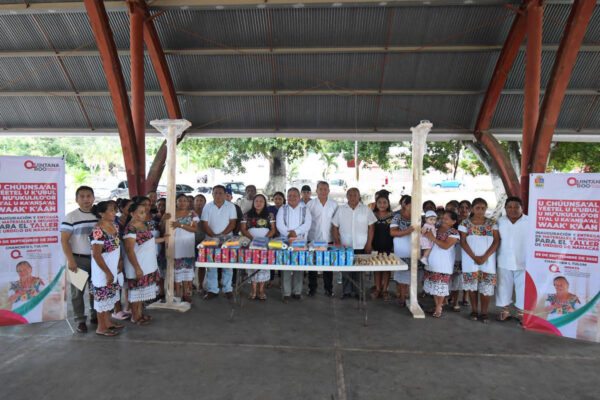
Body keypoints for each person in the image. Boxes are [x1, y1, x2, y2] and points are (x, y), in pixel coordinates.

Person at [60, 185, 98, 333]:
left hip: (97, 260)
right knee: (77, 293)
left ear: (93, 198)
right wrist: (71, 260)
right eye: (82, 197)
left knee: (96, 289)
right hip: (78, 259)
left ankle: (96, 315)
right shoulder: (71, 217)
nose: (86, 199)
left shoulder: (99, 215)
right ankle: (80, 320)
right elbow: (64, 241)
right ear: (76, 199)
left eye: (89, 196)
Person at [123, 202, 167, 325]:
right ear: (132, 214)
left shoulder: (143, 225)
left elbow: (149, 241)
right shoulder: (130, 229)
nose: (144, 215)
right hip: (138, 264)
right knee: (136, 292)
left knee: (142, 292)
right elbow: (129, 250)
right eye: (141, 212)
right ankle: (135, 316)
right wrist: (137, 268)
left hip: (147, 264)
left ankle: (140, 314)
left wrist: (164, 239)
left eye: (144, 212)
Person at [459, 197, 500, 324]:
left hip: (488, 260)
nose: (480, 211)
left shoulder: (492, 223)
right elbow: (463, 242)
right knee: (473, 286)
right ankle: (474, 310)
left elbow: (496, 241)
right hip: (470, 259)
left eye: (483, 208)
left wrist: (485, 257)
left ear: (486, 209)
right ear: (472, 209)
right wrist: (475, 257)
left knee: (486, 286)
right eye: (477, 208)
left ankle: (484, 312)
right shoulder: (465, 223)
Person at [332, 188, 376, 299]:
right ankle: (346, 292)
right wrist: (337, 242)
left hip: (361, 245)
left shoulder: (366, 209)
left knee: (359, 270)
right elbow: (335, 226)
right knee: (346, 270)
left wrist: (369, 243)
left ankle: (358, 292)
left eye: (355, 195)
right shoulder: (341, 209)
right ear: (347, 197)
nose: (352, 197)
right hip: (345, 246)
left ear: (359, 196)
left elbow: (371, 227)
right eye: (350, 195)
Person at [89, 201, 123, 337]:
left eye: (115, 209)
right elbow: (96, 255)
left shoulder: (115, 226)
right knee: (102, 297)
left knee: (109, 295)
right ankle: (101, 327)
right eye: (111, 210)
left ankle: (108, 322)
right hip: (102, 269)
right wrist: (108, 272)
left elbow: (117, 246)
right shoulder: (97, 230)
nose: (115, 212)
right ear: (101, 214)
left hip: (112, 267)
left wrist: (119, 262)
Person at [201, 185, 238, 300]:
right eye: (215, 193)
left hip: (227, 239)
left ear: (225, 194)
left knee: (227, 264)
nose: (218, 195)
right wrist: (213, 236)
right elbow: (204, 224)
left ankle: (228, 289)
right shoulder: (207, 207)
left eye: (220, 193)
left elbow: (232, 223)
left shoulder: (231, 206)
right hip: (210, 239)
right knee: (211, 265)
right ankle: (212, 290)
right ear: (212, 194)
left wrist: (222, 235)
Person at [276, 188, 312, 302]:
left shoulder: (305, 209)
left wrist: (295, 232)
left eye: (295, 195)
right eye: (290, 195)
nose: (292, 197)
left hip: (300, 242)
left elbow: (307, 224)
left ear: (299, 196)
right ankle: (286, 293)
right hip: (285, 241)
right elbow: (279, 225)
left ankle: (297, 291)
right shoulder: (282, 209)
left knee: (298, 267)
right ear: (287, 197)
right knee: (286, 266)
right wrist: (289, 234)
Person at [496, 196, 528, 322]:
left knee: (523, 288)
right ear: (505, 208)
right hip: (504, 259)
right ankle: (505, 311)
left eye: (516, 207)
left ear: (522, 208)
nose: (513, 210)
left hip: (524, 260)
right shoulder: (500, 222)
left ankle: (521, 313)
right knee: (503, 287)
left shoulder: (530, 221)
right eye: (509, 207)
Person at [423, 211, 460, 318]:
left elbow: (445, 246)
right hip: (432, 261)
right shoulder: (435, 228)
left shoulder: (454, 232)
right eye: (442, 218)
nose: (443, 220)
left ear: (453, 222)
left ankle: (439, 307)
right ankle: (437, 306)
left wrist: (432, 238)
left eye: (446, 219)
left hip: (444, 263)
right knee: (434, 285)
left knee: (441, 286)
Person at [240, 194, 276, 300]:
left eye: (261, 201)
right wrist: (252, 239)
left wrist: (264, 240)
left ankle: (261, 290)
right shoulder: (247, 215)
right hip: (251, 243)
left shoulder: (270, 215)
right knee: (253, 265)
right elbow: (243, 229)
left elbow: (273, 229)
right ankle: (254, 290)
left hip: (265, 243)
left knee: (263, 266)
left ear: (264, 203)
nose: (258, 203)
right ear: (253, 203)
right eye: (256, 201)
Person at [306, 181, 338, 297]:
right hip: (313, 239)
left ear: (329, 191)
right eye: (320, 189)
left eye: (325, 189)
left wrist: (336, 239)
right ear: (316, 191)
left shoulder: (334, 204)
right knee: (312, 265)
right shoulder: (310, 204)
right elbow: (306, 222)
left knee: (328, 266)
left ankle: (329, 289)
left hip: (328, 239)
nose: (323, 191)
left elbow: (336, 223)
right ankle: (312, 288)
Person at [168, 193, 199, 303]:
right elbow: (165, 227)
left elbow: (194, 229)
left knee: (186, 270)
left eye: (185, 200)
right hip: (175, 244)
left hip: (187, 245)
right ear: (176, 202)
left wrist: (180, 225)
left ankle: (185, 294)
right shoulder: (171, 212)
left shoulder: (192, 214)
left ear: (188, 202)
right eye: (180, 200)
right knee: (177, 270)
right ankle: (177, 294)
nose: (182, 203)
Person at [390, 195, 416, 306]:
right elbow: (392, 232)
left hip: (414, 250)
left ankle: (410, 297)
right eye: (411, 205)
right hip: (401, 250)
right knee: (401, 275)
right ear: (405, 205)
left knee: (412, 275)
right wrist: (407, 231)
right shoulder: (397, 217)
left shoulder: (418, 217)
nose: (413, 207)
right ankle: (402, 297)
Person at [370, 194, 395, 301]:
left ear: (388, 204)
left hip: (388, 245)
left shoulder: (392, 216)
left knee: (386, 268)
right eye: (379, 202)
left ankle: (385, 290)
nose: (382, 205)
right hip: (375, 244)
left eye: (385, 202)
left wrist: (394, 246)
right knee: (376, 268)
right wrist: (369, 244)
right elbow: (369, 231)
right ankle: (378, 289)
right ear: (376, 204)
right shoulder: (372, 215)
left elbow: (395, 232)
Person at [449, 200, 472, 311]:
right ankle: (455, 300)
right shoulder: (454, 221)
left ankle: (465, 296)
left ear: (470, 210)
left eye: (466, 208)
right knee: (456, 275)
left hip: (468, 252)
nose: (464, 210)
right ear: (458, 209)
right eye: (461, 207)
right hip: (456, 251)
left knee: (466, 275)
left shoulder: (472, 222)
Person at [267, 191, 286, 288]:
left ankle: (281, 280)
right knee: (272, 258)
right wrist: (273, 232)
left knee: (281, 258)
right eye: (276, 199)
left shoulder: (286, 209)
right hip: (272, 237)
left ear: (283, 200)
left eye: (280, 199)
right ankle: (271, 279)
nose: (278, 201)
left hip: (283, 237)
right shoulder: (269, 209)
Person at [193, 194, 207, 293]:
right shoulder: (191, 213)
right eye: (197, 200)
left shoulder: (207, 213)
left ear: (205, 203)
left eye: (201, 200)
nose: (199, 203)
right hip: (191, 242)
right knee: (191, 264)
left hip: (204, 242)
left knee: (202, 264)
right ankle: (190, 284)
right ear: (194, 202)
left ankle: (200, 284)